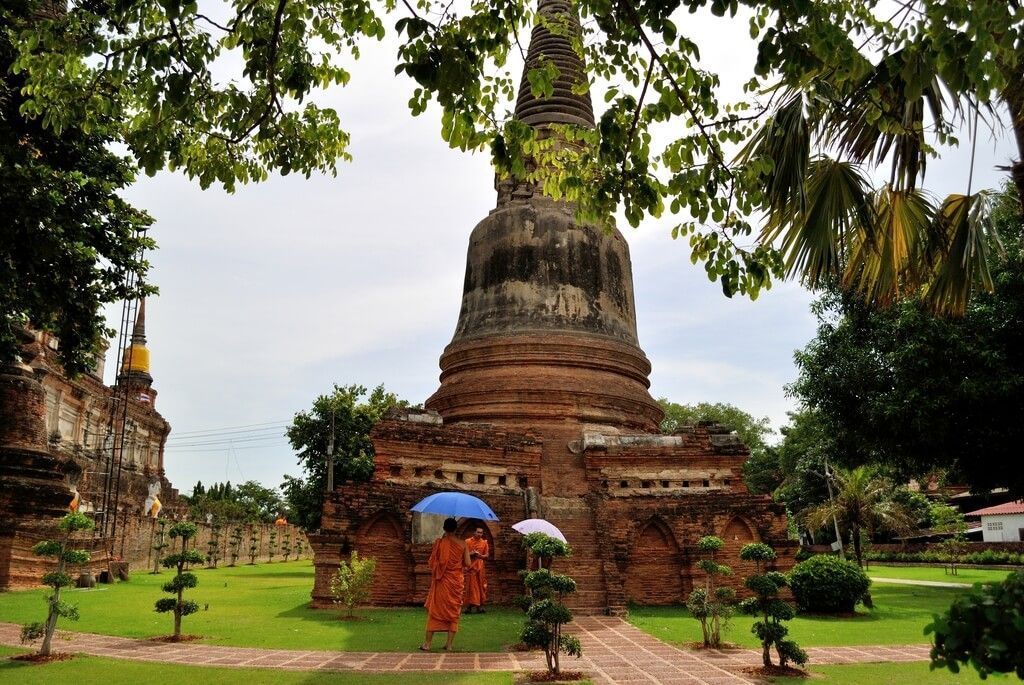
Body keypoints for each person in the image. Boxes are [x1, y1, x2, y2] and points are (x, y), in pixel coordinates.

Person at [421, 517, 471, 651]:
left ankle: (427, 644)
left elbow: (433, 563)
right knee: (454, 611)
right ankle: (449, 645)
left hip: (442, 580)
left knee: (435, 610)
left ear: (444, 528)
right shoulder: (463, 544)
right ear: (456, 529)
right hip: (456, 581)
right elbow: (468, 563)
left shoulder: (440, 543)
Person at [464, 525, 489, 613]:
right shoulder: (467, 541)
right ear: (474, 532)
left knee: (481, 586)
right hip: (471, 567)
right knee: (470, 587)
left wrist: (480, 556)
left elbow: (486, 555)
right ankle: (469, 607)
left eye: (481, 533)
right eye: (478, 532)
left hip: (480, 567)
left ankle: (480, 607)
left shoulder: (484, 542)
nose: (479, 534)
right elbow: (464, 554)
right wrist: (472, 553)